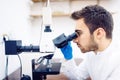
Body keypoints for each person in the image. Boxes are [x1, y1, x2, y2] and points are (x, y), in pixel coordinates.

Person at [60, 5, 120, 80]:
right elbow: (78, 76)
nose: (74, 40)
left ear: (99, 33)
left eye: (79, 33)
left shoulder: (117, 62)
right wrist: (68, 58)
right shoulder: (92, 53)